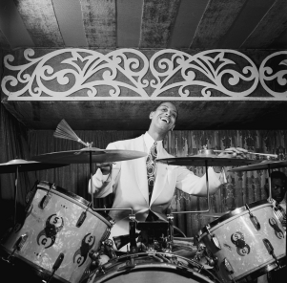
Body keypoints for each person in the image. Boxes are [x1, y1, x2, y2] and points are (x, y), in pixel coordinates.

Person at [88, 102, 246, 251]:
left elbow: (199, 187)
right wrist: (105, 172)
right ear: (151, 114)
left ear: (173, 126)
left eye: (173, 114)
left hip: (158, 243)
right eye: (163, 109)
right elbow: (96, 192)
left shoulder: (173, 163)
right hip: (118, 238)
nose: (168, 114)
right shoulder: (119, 148)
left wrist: (218, 164)